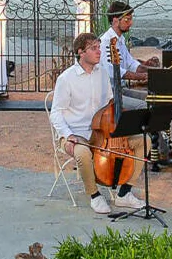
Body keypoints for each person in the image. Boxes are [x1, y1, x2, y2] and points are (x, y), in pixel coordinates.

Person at [49, 32, 147, 215]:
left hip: (104, 133)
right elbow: (56, 112)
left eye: (98, 47)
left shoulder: (102, 73)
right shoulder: (66, 79)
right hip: (76, 134)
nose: (98, 52)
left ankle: (124, 193)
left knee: (145, 140)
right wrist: (67, 135)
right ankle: (94, 195)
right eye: (93, 48)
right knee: (82, 152)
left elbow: (110, 101)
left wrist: (119, 117)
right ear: (81, 52)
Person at [98, 1, 159, 85]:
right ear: (115, 21)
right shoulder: (105, 41)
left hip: (122, 86)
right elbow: (111, 70)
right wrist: (141, 76)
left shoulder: (121, 39)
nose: (131, 23)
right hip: (110, 91)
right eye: (127, 20)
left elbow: (131, 64)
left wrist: (157, 72)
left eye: (131, 19)